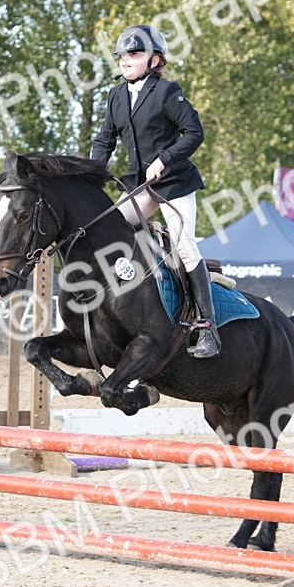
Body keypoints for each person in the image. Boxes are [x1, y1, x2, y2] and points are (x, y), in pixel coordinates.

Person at [89, 24, 219, 358]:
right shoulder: (116, 96)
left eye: (134, 54)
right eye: (122, 55)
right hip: (139, 183)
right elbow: (105, 140)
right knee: (106, 229)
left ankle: (207, 329)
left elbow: (194, 133)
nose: (125, 60)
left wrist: (165, 158)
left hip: (175, 183)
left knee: (185, 246)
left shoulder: (167, 92)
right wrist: (90, 172)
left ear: (155, 60)